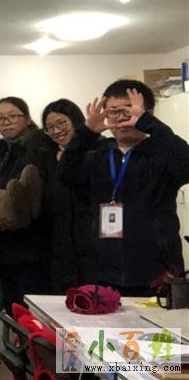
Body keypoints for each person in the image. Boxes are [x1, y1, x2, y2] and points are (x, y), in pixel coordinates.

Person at [57, 80, 189, 296]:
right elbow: (64, 175)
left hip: (157, 271)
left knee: (158, 320)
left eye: (128, 110)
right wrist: (86, 132)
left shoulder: (162, 154)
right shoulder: (98, 155)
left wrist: (149, 123)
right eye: (113, 111)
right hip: (103, 270)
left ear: (147, 113)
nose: (120, 117)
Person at [0, 96, 51, 309]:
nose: (6, 122)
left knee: (30, 311)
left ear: (27, 119)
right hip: (3, 244)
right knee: (11, 309)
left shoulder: (39, 148)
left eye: (12, 116)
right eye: (0, 118)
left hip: (31, 245)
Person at [41, 99, 95, 292]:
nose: (56, 131)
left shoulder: (97, 150)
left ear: (75, 120)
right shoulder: (45, 157)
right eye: (49, 128)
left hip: (92, 242)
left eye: (61, 123)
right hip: (60, 247)